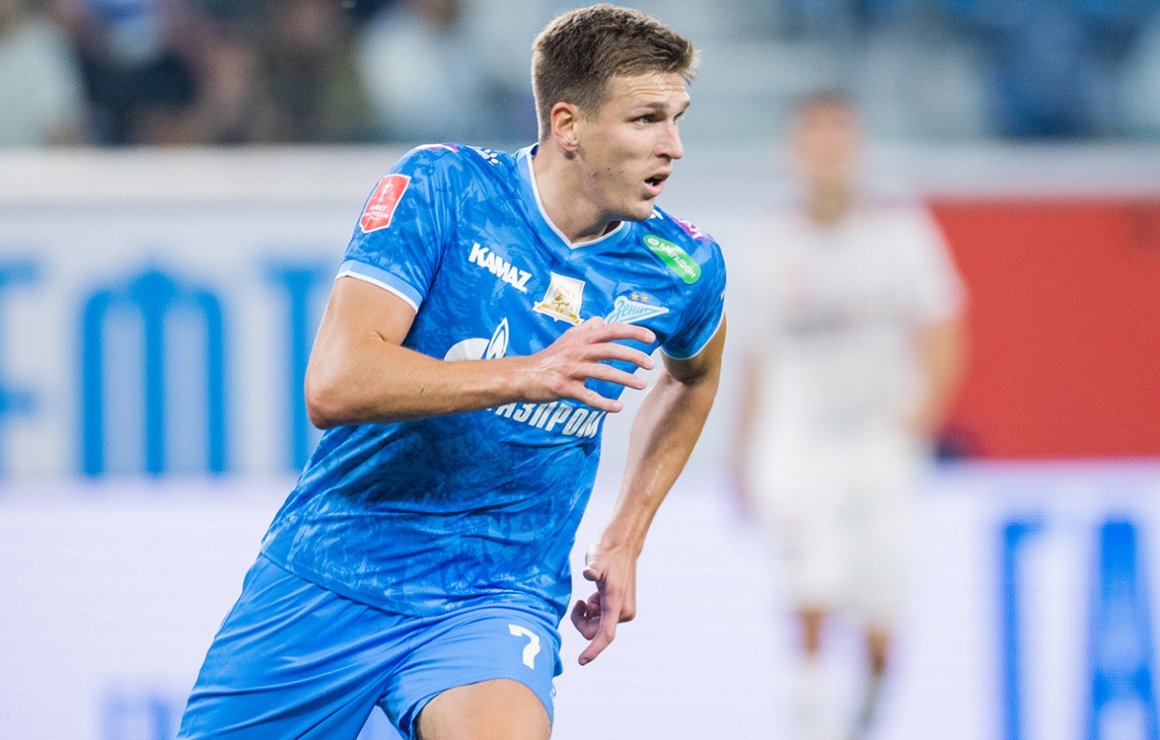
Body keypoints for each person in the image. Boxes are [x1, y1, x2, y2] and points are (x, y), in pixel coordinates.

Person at [178, 5, 726, 739]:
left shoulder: (682, 266)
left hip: (494, 594)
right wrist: (527, 373)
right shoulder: (445, 189)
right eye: (646, 120)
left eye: (676, 119)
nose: (673, 147)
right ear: (568, 125)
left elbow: (692, 378)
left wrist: (627, 532)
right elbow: (335, 382)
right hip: (336, 567)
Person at [731, 90, 966, 740]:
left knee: (881, 620)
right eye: (815, 139)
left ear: (858, 149)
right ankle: (810, 725)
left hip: (879, 440)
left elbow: (944, 328)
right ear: (794, 153)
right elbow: (755, 360)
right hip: (799, 441)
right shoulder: (769, 246)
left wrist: (919, 417)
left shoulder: (901, 235)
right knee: (808, 595)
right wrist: (744, 454)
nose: (827, 153)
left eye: (839, 138)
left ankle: (864, 718)